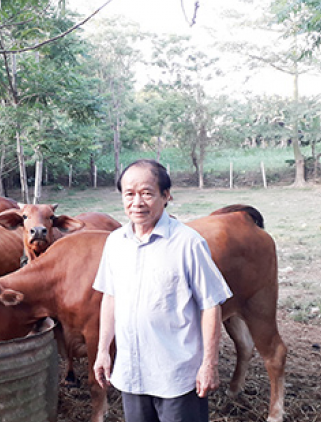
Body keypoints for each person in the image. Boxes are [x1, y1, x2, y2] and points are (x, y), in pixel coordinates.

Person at [92, 159, 232, 422]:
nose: (137, 203)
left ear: (166, 195)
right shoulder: (115, 243)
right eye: (129, 194)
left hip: (177, 376)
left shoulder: (188, 243)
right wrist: (102, 351)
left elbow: (211, 304)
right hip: (132, 373)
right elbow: (110, 297)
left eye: (147, 193)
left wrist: (209, 364)